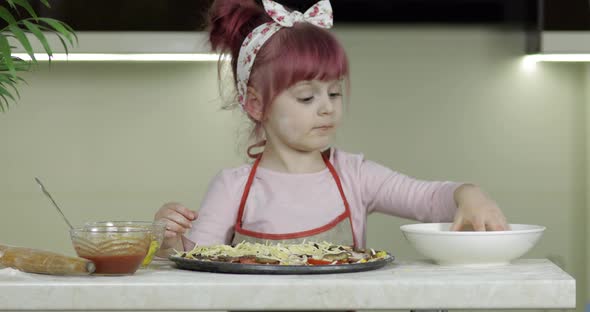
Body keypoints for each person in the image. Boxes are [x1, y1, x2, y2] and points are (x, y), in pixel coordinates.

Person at [154, 0, 508, 256]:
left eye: (335, 92)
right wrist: (170, 239)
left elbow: (428, 199)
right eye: (307, 97)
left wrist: (467, 193)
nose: (327, 107)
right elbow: (195, 264)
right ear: (255, 103)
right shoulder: (233, 188)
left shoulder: (355, 175)